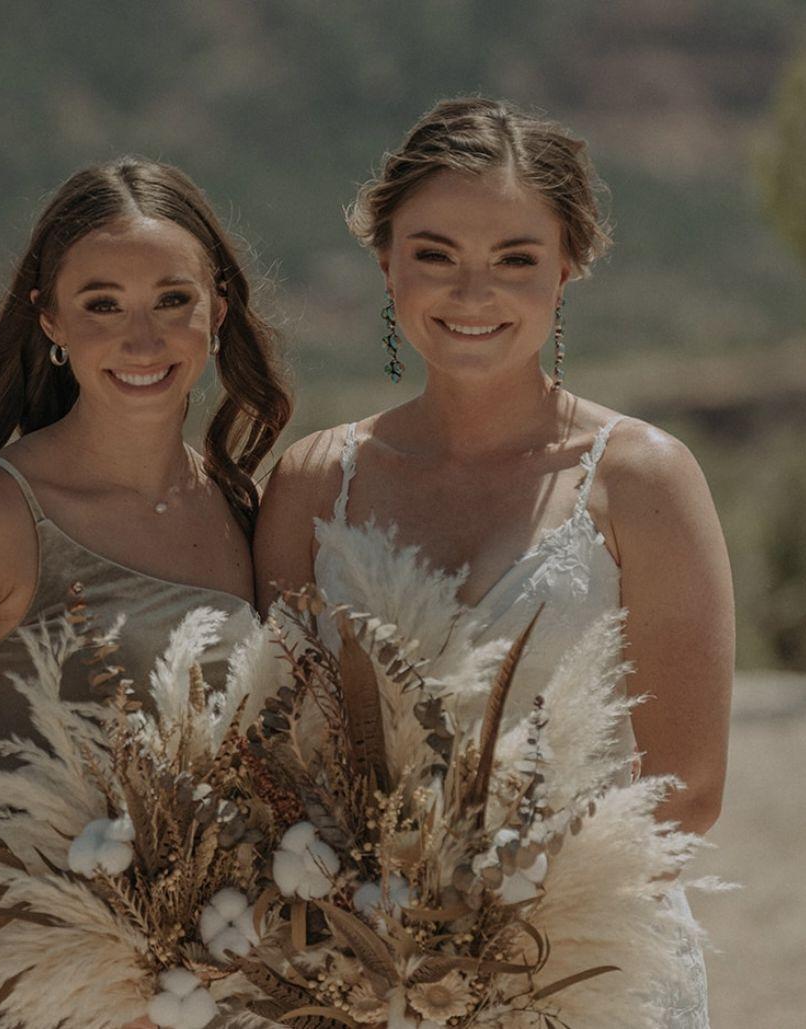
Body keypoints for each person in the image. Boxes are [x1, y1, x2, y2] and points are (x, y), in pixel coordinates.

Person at [253, 97, 732, 1026]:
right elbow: (275, 755)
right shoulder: (315, 482)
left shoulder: (642, 479)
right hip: (363, 975)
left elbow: (688, 789)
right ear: (387, 263)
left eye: (516, 259)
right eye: (435, 255)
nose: (474, 293)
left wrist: (482, 936)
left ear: (567, 268)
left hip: (590, 975)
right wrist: (381, 939)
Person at [0, 157, 292, 918]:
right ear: (51, 320)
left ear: (217, 310)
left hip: (241, 968)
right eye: (103, 305)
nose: (142, 339)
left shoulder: (246, 507)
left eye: (173, 300)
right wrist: (72, 954)